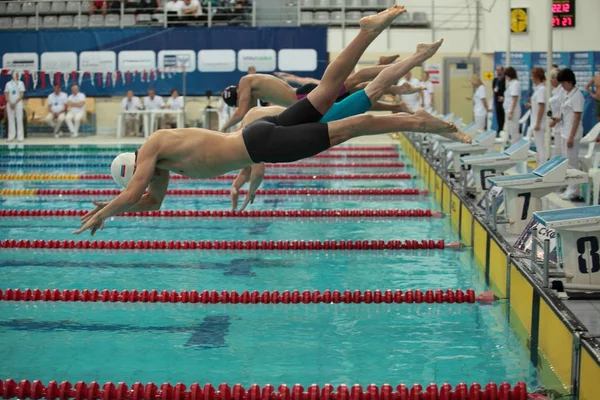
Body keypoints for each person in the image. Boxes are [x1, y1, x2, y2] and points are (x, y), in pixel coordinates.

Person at [73, 6, 469, 235]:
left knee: (352, 124)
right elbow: (150, 204)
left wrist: (105, 212)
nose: (143, 183)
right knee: (331, 90)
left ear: (134, 164)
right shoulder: (161, 163)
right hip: (259, 133)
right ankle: (366, 32)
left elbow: (134, 196)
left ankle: (418, 121)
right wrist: (115, 207)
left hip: (260, 143)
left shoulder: (155, 146)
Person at [221, 63, 422, 132]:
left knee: (355, 80)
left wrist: (223, 129)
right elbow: (248, 115)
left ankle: (398, 71)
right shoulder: (253, 90)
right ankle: (398, 95)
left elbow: (241, 112)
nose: (241, 103)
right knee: (358, 96)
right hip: (306, 101)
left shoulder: (246, 81)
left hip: (305, 96)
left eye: (238, 100)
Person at [557, 68, 584, 202]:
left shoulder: (577, 95)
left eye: (563, 83)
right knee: (566, 162)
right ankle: (569, 188)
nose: (562, 86)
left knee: (572, 163)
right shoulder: (567, 94)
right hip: (564, 131)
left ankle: (574, 191)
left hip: (571, 134)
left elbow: (577, 117)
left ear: (570, 81)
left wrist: (571, 136)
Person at [525, 68, 547, 165]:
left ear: (536, 77)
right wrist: (531, 106)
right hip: (535, 120)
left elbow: (542, 106)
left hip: (539, 122)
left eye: (532, 76)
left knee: (541, 146)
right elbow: (538, 105)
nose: (531, 78)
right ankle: (540, 164)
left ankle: (542, 166)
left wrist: (538, 123)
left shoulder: (542, 89)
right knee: (539, 146)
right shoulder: (538, 89)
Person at [549, 68, 566, 157]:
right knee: (557, 151)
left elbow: (563, 109)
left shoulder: (562, 91)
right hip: (556, 125)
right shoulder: (556, 91)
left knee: (560, 153)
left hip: (561, 125)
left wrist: (555, 120)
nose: (550, 80)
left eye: (552, 78)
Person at [4, 72, 25, 142]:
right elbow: (6, 94)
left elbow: (21, 94)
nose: (16, 76)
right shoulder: (8, 84)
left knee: (19, 120)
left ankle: (20, 137)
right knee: (11, 120)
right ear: (12, 75)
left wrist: (15, 102)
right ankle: (11, 136)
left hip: (18, 103)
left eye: (17, 74)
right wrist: (10, 103)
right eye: (15, 74)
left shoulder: (21, 83)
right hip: (10, 104)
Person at [503, 66, 521, 144]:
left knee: (514, 132)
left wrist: (511, 112)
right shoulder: (511, 83)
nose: (506, 77)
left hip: (513, 111)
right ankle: (514, 147)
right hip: (509, 110)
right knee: (511, 131)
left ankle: (516, 148)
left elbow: (515, 98)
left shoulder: (515, 83)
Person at [492, 65, 506, 133]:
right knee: (498, 116)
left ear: (502, 71)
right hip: (497, 100)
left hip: (503, 100)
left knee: (503, 116)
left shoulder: (505, 80)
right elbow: (493, 89)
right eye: (496, 70)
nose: (497, 71)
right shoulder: (495, 80)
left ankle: (502, 129)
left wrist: (503, 97)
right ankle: (499, 129)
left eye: (499, 70)